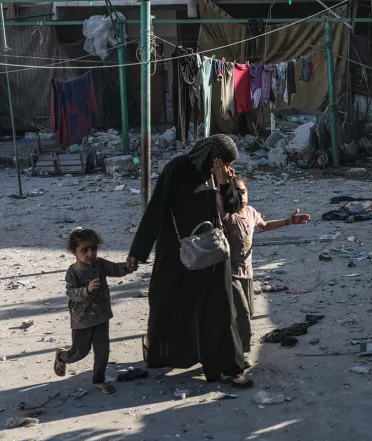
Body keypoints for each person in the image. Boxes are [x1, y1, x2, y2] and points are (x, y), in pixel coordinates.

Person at [127, 135, 251, 387]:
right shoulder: (178, 169)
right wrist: (138, 252)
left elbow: (233, 207)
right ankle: (167, 355)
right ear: (210, 154)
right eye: (222, 161)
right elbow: (156, 210)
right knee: (172, 304)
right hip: (178, 253)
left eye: (228, 163)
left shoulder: (222, 174)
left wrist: (225, 183)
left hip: (214, 252)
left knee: (221, 309)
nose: (224, 166)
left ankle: (229, 367)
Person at [217, 176, 311, 353]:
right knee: (242, 313)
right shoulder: (227, 216)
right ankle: (241, 353)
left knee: (248, 312)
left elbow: (264, 225)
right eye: (235, 192)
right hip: (230, 272)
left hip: (248, 272)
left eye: (243, 192)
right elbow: (219, 200)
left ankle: (233, 346)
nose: (241, 196)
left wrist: (288, 221)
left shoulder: (251, 212)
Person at [55, 228, 135, 394]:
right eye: (84, 250)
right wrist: (87, 290)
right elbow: (71, 293)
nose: (90, 253)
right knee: (80, 352)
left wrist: (128, 267)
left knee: (102, 351)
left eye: (93, 249)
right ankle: (62, 356)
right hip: (82, 319)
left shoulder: (99, 264)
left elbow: (115, 269)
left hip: (101, 316)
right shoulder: (73, 272)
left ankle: (99, 380)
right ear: (74, 252)